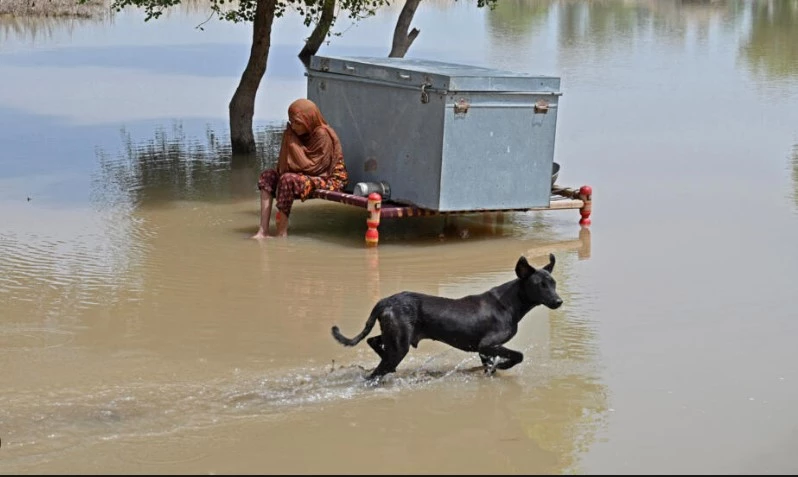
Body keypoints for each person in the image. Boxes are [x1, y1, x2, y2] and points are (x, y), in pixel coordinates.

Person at [252, 98, 348, 239]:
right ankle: (263, 231)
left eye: (297, 122)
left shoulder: (322, 134)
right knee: (268, 176)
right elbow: (286, 165)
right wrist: (290, 140)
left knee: (287, 180)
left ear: (308, 120)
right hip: (307, 175)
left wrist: (293, 145)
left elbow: (316, 168)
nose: (294, 126)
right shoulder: (299, 134)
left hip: (329, 179)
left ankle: (281, 234)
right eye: (292, 121)